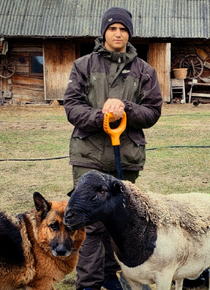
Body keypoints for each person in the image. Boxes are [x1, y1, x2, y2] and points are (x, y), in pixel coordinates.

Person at [63, 7, 162, 290]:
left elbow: (153, 111)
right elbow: (72, 107)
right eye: (112, 28)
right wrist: (102, 117)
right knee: (90, 223)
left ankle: (110, 275)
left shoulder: (144, 70)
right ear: (104, 32)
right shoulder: (83, 66)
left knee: (118, 222)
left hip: (126, 155)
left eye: (123, 29)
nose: (117, 33)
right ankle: (89, 285)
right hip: (88, 156)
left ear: (129, 33)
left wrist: (126, 109)